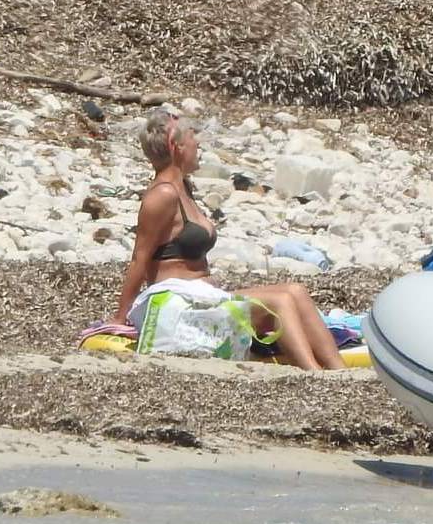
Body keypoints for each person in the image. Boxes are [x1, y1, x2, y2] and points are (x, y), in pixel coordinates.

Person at [115, 112, 346, 371]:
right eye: (193, 138)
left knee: (296, 292)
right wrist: (121, 319)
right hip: (179, 306)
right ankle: (313, 374)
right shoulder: (163, 195)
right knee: (280, 303)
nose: (198, 144)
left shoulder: (184, 189)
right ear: (175, 146)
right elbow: (139, 258)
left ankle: (339, 372)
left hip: (203, 297)